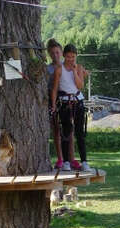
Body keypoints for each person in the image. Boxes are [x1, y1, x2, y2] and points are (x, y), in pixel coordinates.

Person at [50, 44, 93, 172]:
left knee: (80, 133)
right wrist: (53, 104)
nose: (70, 59)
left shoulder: (79, 68)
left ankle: (84, 161)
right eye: (68, 57)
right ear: (64, 56)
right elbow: (55, 88)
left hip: (78, 102)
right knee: (66, 132)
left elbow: (79, 86)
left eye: (73, 57)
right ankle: (66, 162)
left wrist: (74, 71)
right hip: (65, 103)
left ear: (76, 57)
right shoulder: (59, 69)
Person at [46, 39, 67, 171]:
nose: (55, 55)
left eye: (57, 52)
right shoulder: (48, 69)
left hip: (66, 99)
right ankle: (60, 158)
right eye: (52, 53)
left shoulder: (68, 67)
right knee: (56, 131)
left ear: (61, 52)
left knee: (68, 131)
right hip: (53, 99)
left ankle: (70, 158)